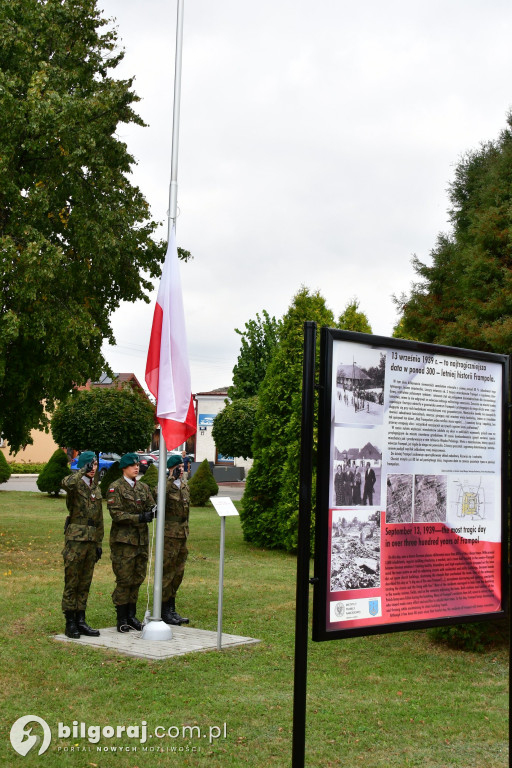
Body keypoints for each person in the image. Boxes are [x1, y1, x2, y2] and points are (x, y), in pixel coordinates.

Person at [107, 453, 156, 633]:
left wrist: (154, 511)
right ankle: (121, 618)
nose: (136, 468)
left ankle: (131, 616)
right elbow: (117, 515)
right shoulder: (115, 488)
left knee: (137, 578)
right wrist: (140, 517)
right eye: (132, 465)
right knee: (124, 579)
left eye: (137, 465)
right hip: (124, 542)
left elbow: (151, 506)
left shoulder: (143, 487)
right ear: (124, 468)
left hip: (141, 541)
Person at [61, 451, 103, 639]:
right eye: (89, 465)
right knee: (72, 580)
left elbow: (99, 518)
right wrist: (80, 471)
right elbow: (65, 483)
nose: (92, 469)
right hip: (76, 540)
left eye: (94, 465)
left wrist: (99, 543)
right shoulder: (75, 483)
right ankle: (70, 622)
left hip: (91, 540)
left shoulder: (96, 487)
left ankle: (81, 619)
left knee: (85, 581)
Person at [161, 454, 190, 626]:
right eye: (179, 466)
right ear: (172, 468)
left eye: (183, 466)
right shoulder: (166, 486)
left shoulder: (184, 487)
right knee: (167, 572)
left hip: (182, 534)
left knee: (178, 572)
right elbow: (159, 496)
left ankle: (171, 607)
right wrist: (169, 479)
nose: (182, 469)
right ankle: (164, 609)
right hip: (169, 535)